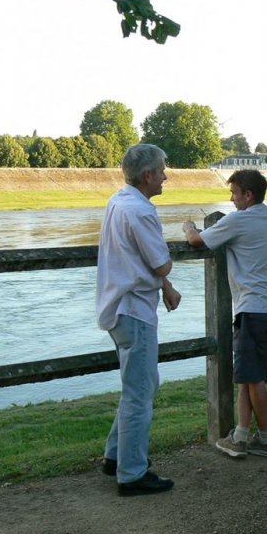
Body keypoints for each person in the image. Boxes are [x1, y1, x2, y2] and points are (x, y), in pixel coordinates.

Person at [182, 169, 267, 459]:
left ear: (248, 195)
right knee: (249, 377)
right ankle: (240, 436)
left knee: (252, 380)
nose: (231, 199)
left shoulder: (238, 220)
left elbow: (197, 241)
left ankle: (266, 439)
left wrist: (188, 226)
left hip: (253, 311)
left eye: (234, 194)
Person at [96, 143, 182, 495]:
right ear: (148, 176)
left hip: (117, 308)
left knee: (139, 387)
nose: (166, 176)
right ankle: (131, 474)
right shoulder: (142, 212)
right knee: (140, 393)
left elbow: (137, 258)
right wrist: (166, 277)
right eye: (162, 170)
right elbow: (159, 262)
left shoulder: (119, 201)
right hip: (134, 310)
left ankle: (116, 456)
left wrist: (165, 286)